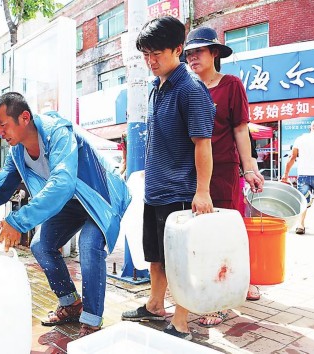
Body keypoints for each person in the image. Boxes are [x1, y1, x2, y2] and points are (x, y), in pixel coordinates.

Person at [0, 92, 131, 338]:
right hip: (70, 203)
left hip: (100, 197)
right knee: (41, 245)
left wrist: (18, 222)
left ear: (24, 118)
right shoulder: (17, 153)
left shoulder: (57, 133)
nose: (0, 132)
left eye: (3, 124)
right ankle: (71, 303)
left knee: (89, 244)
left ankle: (93, 319)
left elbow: (63, 183)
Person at [119, 16, 216, 341]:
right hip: (156, 191)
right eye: (146, 54)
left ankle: (182, 322)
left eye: (157, 53)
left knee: (180, 261)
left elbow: (203, 143)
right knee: (157, 257)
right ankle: (155, 305)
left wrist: (202, 191)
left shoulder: (191, 88)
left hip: (181, 194)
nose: (151, 61)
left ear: (178, 49)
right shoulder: (155, 87)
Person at [184, 26, 265, 327]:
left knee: (228, 233)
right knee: (201, 237)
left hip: (225, 172)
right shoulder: (186, 88)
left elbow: (240, 129)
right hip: (192, 176)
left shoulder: (231, 85)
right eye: (189, 53)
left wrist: (250, 169)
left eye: (199, 52)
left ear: (215, 53)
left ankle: (230, 292)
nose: (192, 58)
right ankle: (215, 293)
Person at [281, 119, 314, 235]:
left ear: (310, 128)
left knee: (303, 201)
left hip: (304, 175)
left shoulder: (300, 139)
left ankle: (300, 225)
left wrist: (285, 175)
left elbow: (292, 157)